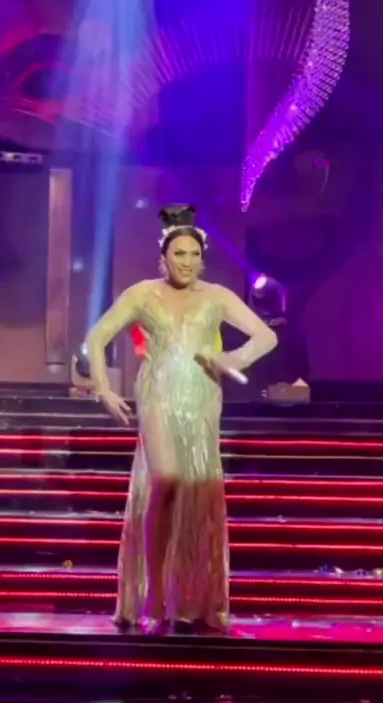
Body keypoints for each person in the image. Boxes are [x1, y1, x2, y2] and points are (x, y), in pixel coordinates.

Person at [85, 204, 277, 633]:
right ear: (164, 257)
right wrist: (103, 389)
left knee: (195, 491)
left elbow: (267, 336)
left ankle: (190, 597)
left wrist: (233, 358)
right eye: (179, 254)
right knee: (167, 480)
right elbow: (97, 338)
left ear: (202, 257)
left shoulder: (217, 296)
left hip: (202, 397)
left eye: (194, 254)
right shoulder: (141, 294)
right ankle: (154, 591)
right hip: (157, 394)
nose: (187, 262)